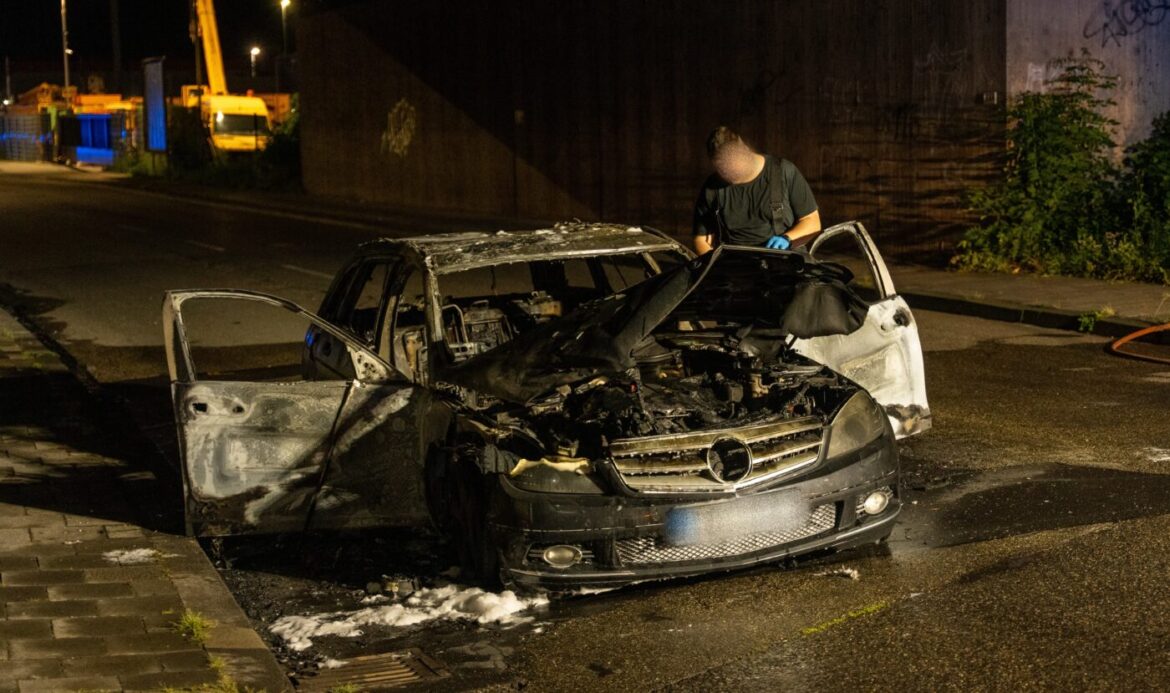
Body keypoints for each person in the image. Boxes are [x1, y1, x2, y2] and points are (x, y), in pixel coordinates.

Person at [692, 126, 821, 254]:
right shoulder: (712, 187)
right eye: (722, 169)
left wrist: (787, 238)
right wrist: (714, 265)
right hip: (736, 265)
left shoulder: (783, 171)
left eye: (731, 164)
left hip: (782, 260)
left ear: (744, 151)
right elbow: (700, 240)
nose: (727, 172)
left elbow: (812, 222)